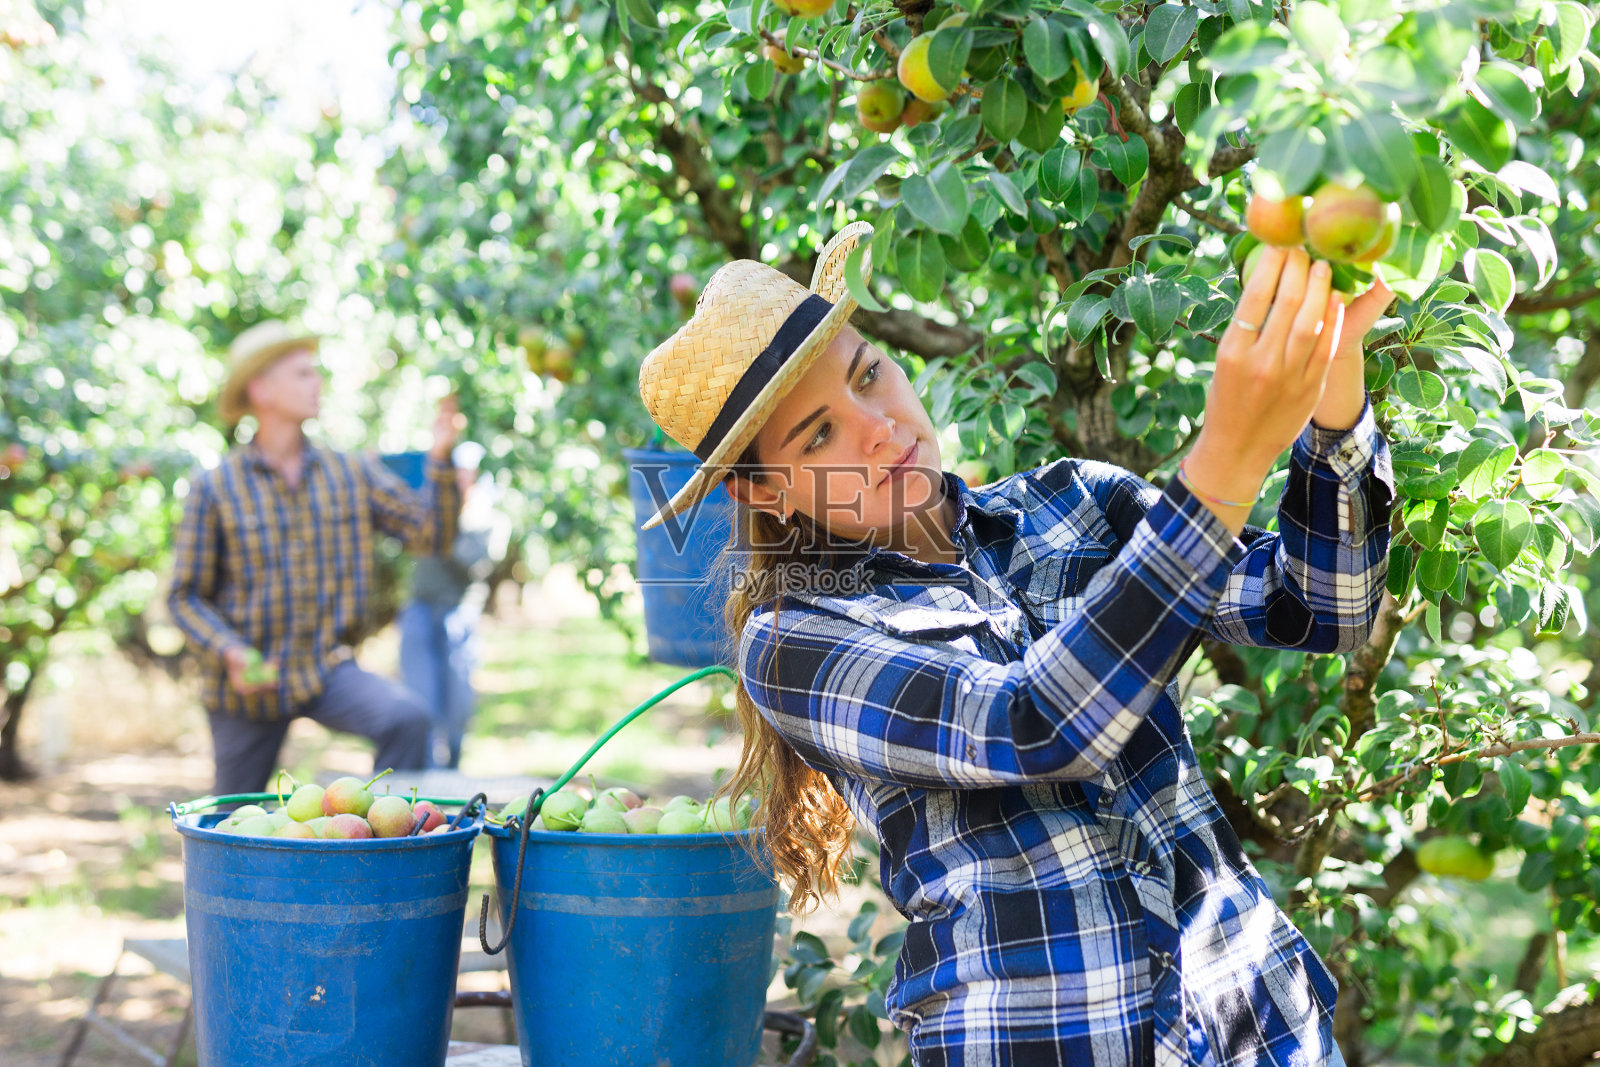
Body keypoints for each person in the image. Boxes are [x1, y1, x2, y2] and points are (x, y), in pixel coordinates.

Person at [635, 223, 1394, 1067]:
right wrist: (1226, 461)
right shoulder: (796, 639)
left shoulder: (1075, 504)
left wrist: (1336, 389)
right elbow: (1034, 724)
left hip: (1258, 1031)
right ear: (765, 492)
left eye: (868, 374)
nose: (878, 429)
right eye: (818, 435)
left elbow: (1324, 606)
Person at [167, 320, 464, 795]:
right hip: (247, 686)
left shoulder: (350, 472)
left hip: (324, 669)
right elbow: (183, 596)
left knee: (405, 719)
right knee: (228, 818)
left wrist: (441, 458)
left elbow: (430, 536)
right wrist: (230, 651)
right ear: (261, 390)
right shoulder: (216, 487)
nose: (317, 383)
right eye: (302, 374)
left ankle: (381, 833)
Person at [398, 440, 507, 769]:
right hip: (420, 610)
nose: (460, 479)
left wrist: (454, 521)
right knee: (420, 696)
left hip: (458, 613)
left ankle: (453, 761)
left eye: (465, 473)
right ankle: (429, 769)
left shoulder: (488, 518)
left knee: (458, 699)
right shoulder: (429, 508)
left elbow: (474, 563)